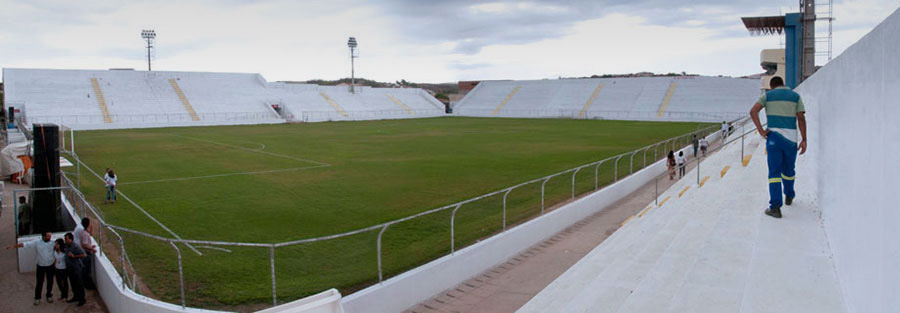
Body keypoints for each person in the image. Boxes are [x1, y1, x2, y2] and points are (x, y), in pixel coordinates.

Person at [750, 76, 807, 219]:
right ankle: (789, 194)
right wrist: (804, 139)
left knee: (774, 172)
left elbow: (753, 111)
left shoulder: (767, 96)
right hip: (791, 140)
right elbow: (801, 118)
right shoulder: (795, 96)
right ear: (783, 84)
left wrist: (762, 132)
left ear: (772, 86)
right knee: (789, 170)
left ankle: (775, 207)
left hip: (774, 138)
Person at [7, 232, 55, 305]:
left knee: (50, 281)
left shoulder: (53, 242)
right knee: (39, 282)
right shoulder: (37, 242)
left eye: (50, 236)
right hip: (40, 265)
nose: (50, 238)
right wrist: (13, 246)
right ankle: (37, 298)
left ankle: (49, 295)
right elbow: (24, 244)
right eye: (48, 236)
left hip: (50, 265)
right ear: (44, 237)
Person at [64, 232, 87, 306]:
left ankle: (82, 299)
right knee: (73, 283)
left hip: (76, 268)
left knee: (79, 284)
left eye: (66, 239)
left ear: (71, 239)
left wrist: (74, 256)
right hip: (70, 268)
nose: (65, 240)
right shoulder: (67, 246)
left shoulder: (76, 246)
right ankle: (76, 297)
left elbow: (84, 255)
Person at [73, 217, 97, 289]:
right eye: (90, 223)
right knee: (86, 270)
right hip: (86, 252)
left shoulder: (83, 231)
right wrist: (91, 249)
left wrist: (90, 246)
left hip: (84, 251)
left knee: (85, 270)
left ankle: (85, 283)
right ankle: (86, 285)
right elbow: (84, 244)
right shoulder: (84, 233)